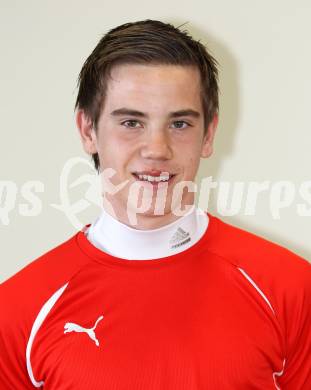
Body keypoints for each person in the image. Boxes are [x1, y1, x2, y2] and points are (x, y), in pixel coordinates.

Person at [0, 19, 310, 389]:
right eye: (131, 122)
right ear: (88, 130)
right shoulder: (18, 309)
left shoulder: (291, 287)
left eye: (179, 124)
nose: (157, 150)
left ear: (208, 134)